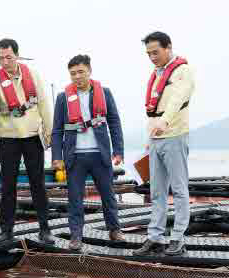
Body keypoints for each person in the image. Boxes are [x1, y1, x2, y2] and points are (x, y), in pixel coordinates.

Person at [0, 38, 54, 244]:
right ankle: (6, 231)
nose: (5, 62)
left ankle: (45, 229)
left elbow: (44, 104)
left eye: (9, 57)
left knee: (37, 184)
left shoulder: (33, 74)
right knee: (7, 186)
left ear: (17, 55)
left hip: (32, 135)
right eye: (1, 58)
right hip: (9, 138)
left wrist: (49, 133)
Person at [51, 54, 125, 251]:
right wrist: (57, 157)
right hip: (75, 157)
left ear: (89, 71)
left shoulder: (105, 93)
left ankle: (114, 230)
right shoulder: (62, 98)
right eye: (73, 73)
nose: (77, 76)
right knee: (74, 198)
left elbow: (114, 122)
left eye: (81, 72)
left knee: (108, 195)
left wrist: (118, 150)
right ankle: (76, 236)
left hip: (100, 155)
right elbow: (57, 129)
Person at [133, 31, 195, 256]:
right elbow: (153, 110)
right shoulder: (156, 74)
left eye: (155, 52)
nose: (152, 57)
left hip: (175, 135)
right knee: (157, 191)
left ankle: (177, 237)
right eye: (148, 53)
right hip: (156, 138)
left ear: (168, 47)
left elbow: (177, 100)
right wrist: (149, 138)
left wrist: (165, 122)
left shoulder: (182, 71)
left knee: (178, 189)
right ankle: (155, 237)